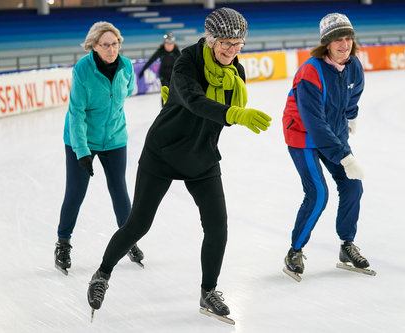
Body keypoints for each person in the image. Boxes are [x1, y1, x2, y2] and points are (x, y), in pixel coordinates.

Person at [87, 8, 271, 324]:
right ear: (211, 39)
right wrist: (234, 114)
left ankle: (208, 291)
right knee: (138, 225)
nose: (232, 50)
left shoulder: (234, 72)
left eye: (238, 43)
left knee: (218, 227)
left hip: (202, 156)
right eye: (226, 43)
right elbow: (194, 101)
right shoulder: (187, 61)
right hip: (163, 153)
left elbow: (218, 114)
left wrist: (231, 112)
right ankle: (102, 274)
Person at [282, 13, 373, 282]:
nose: (344, 44)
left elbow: (353, 93)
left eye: (348, 38)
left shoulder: (354, 65)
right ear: (326, 44)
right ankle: (294, 251)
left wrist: (351, 116)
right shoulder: (310, 72)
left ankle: (347, 245)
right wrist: (344, 156)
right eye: (337, 40)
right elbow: (314, 124)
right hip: (303, 134)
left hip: (333, 131)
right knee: (318, 193)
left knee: (352, 185)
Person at [55, 21, 144, 275]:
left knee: (119, 190)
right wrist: (82, 152)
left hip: (115, 138)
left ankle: (128, 240)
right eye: (106, 45)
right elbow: (76, 113)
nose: (112, 49)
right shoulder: (83, 70)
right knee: (75, 192)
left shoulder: (126, 66)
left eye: (115, 44)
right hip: (80, 138)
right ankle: (63, 242)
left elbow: (128, 90)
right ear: (94, 46)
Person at [138, 32, 181, 104]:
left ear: (174, 44)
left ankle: (173, 108)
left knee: (173, 92)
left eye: (171, 45)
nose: (169, 46)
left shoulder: (176, 52)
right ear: (164, 44)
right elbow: (151, 60)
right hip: (163, 75)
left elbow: (183, 62)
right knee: (165, 91)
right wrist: (143, 70)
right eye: (167, 44)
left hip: (173, 75)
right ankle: (164, 109)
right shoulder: (161, 51)